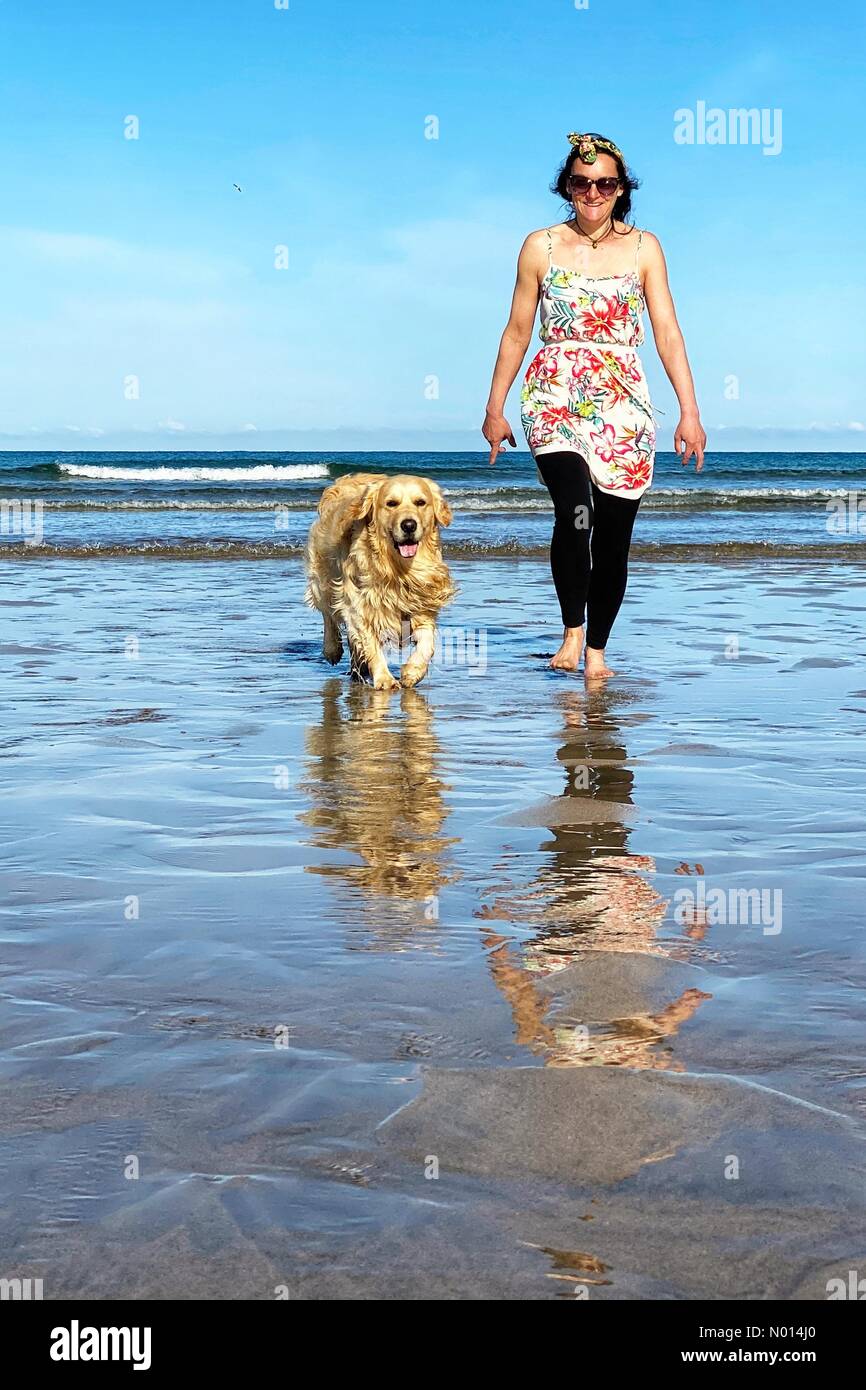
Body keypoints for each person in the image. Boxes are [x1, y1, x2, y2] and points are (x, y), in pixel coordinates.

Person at [483, 130, 706, 677]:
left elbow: (668, 333)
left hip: (624, 400)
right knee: (574, 515)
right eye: (581, 183)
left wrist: (690, 411)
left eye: (605, 183)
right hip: (554, 392)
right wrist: (495, 407)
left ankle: (598, 653)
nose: (593, 192)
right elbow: (516, 331)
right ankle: (571, 634)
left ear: (621, 189)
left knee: (614, 536)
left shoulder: (645, 247)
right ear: (567, 186)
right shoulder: (541, 245)